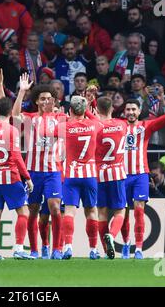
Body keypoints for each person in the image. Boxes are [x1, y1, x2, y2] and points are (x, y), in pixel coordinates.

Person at [120, 86, 165, 260]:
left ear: (139, 111)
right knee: (123, 213)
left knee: (139, 211)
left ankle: (138, 248)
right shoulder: (117, 125)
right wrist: (92, 101)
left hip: (140, 175)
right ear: (124, 112)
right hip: (121, 175)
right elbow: (99, 121)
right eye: (128, 110)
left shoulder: (146, 126)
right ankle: (125, 244)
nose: (131, 112)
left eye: (133, 109)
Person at [12, 75, 67, 260]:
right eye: (42, 98)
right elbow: (14, 115)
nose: (45, 101)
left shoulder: (60, 117)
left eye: (49, 98)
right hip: (33, 172)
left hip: (53, 171)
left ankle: (57, 248)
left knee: (54, 207)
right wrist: (21, 91)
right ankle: (35, 249)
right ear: (36, 101)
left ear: (54, 101)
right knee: (33, 211)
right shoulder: (30, 119)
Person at [0, 97, 34, 260]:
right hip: (10, 177)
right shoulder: (12, 130)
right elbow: (17, 157)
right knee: (23, 212)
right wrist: (27, 177)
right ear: (11, 112)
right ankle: (18, 248)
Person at [58, 96, 100, 260]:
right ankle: (93, 249)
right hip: (90, 175)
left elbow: (47, 132)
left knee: (69, 211)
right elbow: (99, 122)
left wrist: (65, 117)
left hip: (72, 175)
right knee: (91, 211)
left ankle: (68, 246)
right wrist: (88, 109)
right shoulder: (93, 124)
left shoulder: (65, 127)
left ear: (70, 110)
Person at [86, 95, 127, 260]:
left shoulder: (96, 126)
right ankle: (112, 234)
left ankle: (105, 250)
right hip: (117, 172)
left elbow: (91, 116)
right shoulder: (122, 124)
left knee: (101, 213)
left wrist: (90, 101)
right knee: (120, 211)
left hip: (99, 174)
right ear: (112, 109)